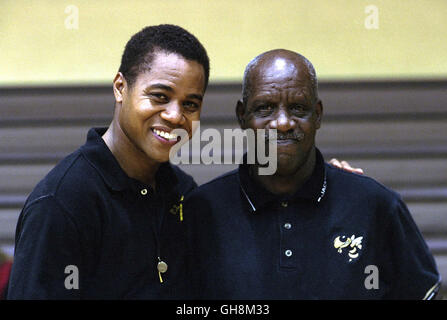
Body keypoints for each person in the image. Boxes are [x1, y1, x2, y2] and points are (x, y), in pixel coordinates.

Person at [186, 49, 441, 299]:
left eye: (297, 108)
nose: (283, 123)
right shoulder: (202, 211)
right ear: (242, 116)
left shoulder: (375, 206)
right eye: (265, 108)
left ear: (317, 115)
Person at [7, 24, 209, 299]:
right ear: (120, 88)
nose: (175, 116)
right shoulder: (63, 202)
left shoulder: (182, 194)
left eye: (190, 105)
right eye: (160, 97)